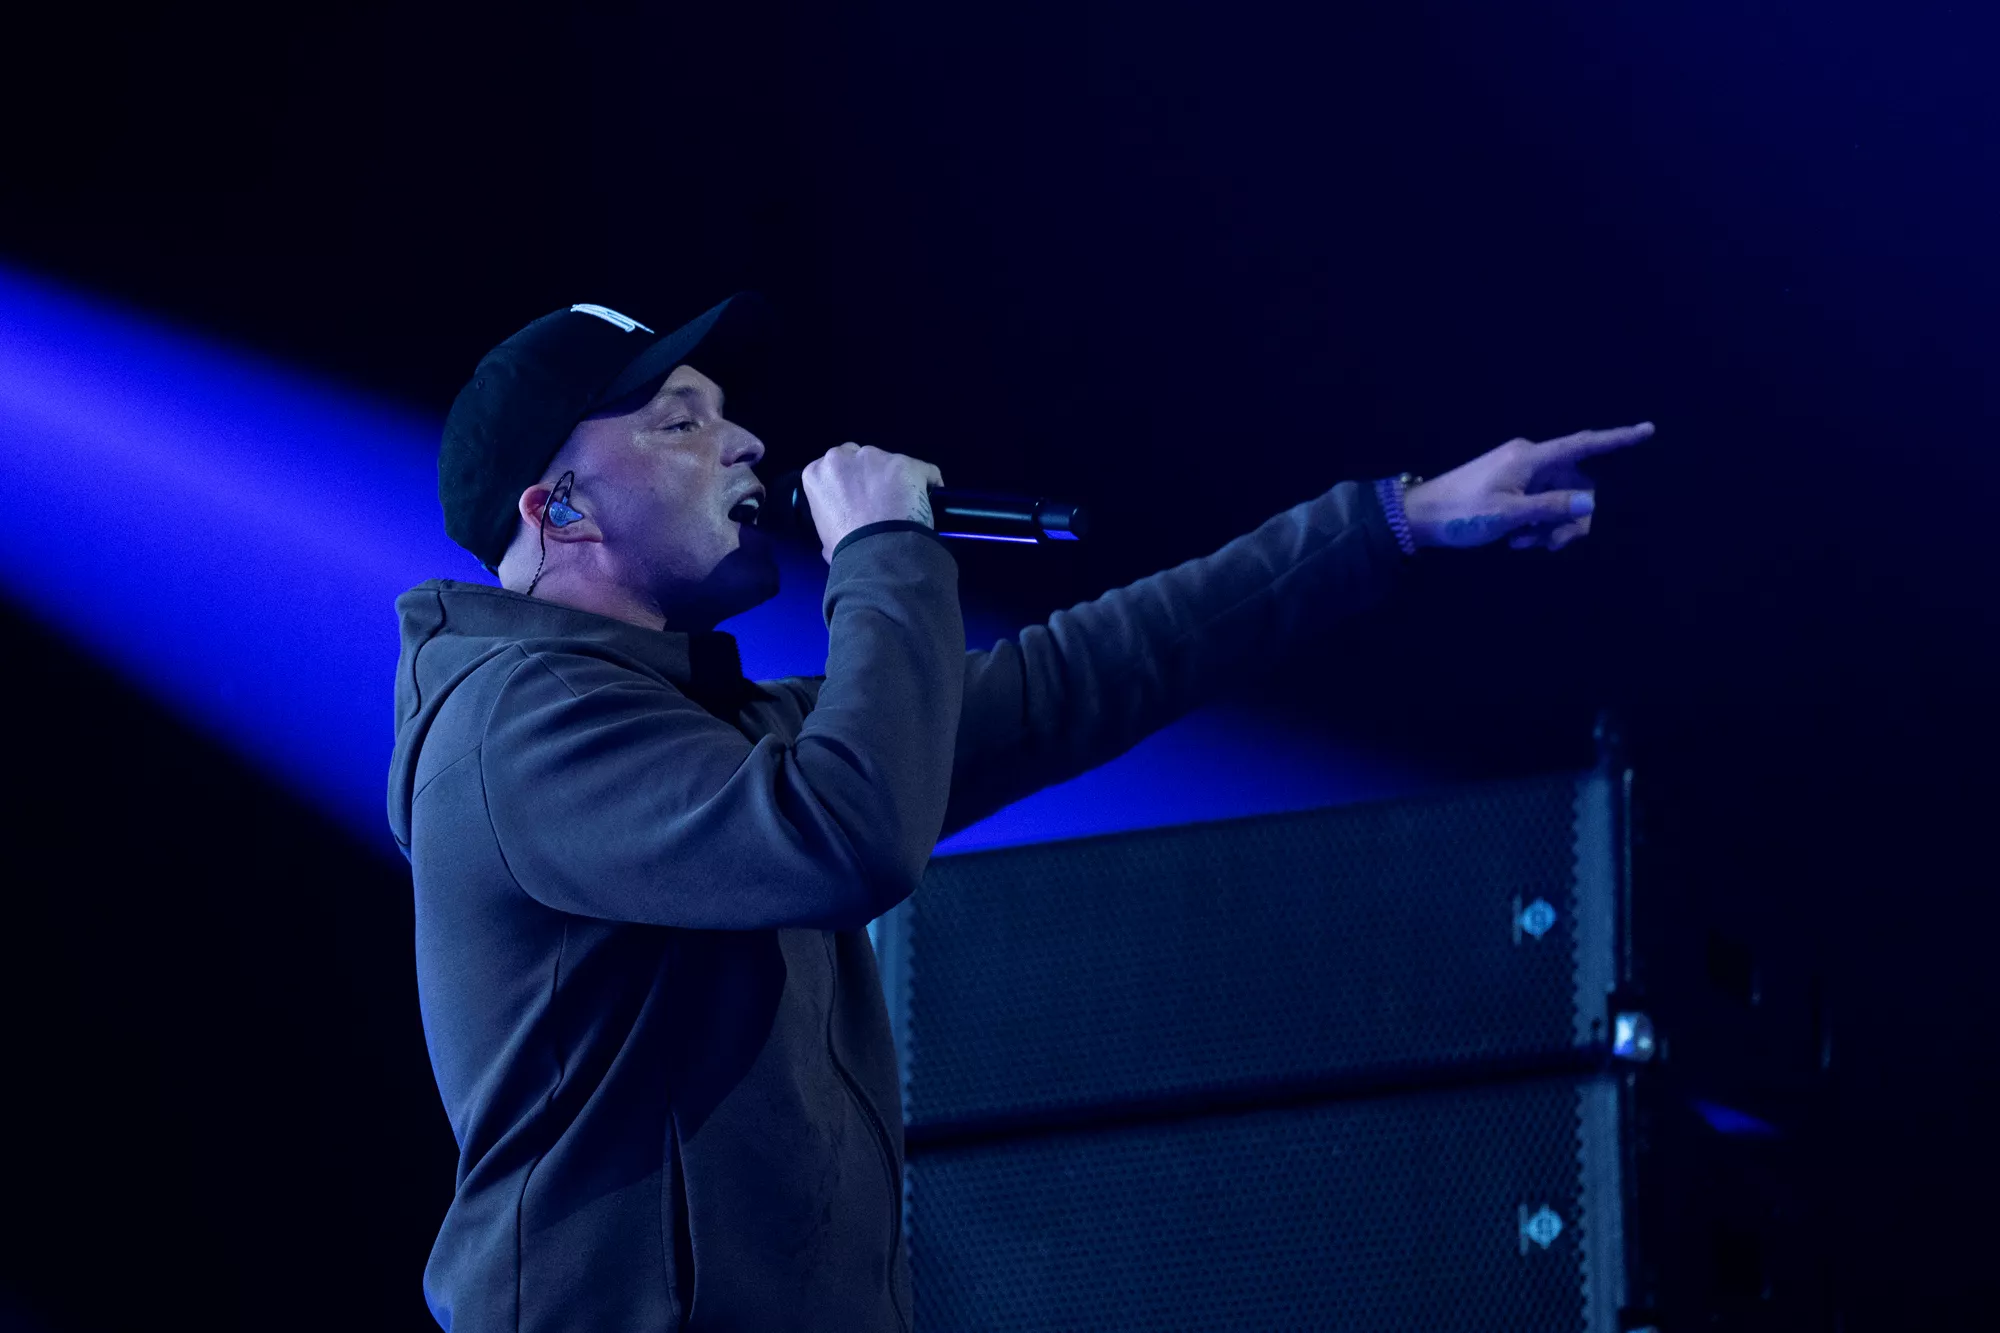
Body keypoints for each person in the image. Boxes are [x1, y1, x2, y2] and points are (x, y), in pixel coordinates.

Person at [387, 296, 1649, 1332]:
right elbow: (844, 835)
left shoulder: (712, 734)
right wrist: (884, 553)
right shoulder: (514, 730)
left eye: (722, 412)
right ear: (560, 509)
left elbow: (1063, 682)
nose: (745, 442)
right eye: (679, 421)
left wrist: (1388, 522)